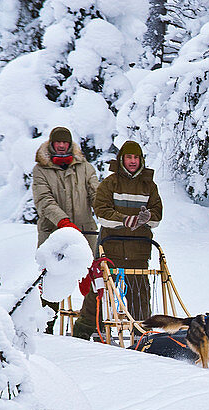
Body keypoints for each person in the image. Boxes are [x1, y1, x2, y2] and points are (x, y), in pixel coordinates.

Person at [72, 140, 163, 338]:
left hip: (139, 248)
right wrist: (124, 220)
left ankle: (140, 332)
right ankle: (87, 328)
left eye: (136, 157)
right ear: (122, 159)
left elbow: (157, 213)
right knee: (99, 289)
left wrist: (148, 218)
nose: (132, 161)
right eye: (129, 157)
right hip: (110, 248)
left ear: (141, 160)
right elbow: (102, 213)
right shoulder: (110, 183)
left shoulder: (149, 185)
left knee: (140, 292)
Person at [31, 126, 98, 330]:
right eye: (58, 142)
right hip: (54, 234)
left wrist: (108, 211)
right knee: (52, 280)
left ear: (70, 144)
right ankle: (46, 327)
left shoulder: (85, 168)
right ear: (52, 144)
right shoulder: (41, 170)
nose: (61, 146)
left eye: (65, 142)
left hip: (85, 232)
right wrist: (62, 220)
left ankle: (89, 326)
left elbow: (96, 194)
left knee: (92, 282)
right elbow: (43, 200)